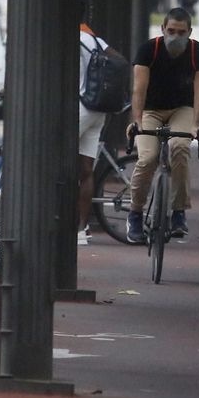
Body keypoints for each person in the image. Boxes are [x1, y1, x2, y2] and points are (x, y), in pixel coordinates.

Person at [127, 7, 199, 243]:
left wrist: (196, 125)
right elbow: (139, 89)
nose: (175, 36)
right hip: (150, 110)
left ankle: (178, 211)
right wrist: (136, 121)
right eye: (171, 30)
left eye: (181, 32)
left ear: (190, 32)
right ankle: (135, 213)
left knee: (180, 147)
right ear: (163, 29)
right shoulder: (148, 49)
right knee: (148, 157)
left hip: (181, 109)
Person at [75, 21, 116, 245]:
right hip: (97, 109)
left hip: (80, 107)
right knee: (86, 170)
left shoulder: (71, 38)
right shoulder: (93, 39)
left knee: (51, 158)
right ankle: (81, 229)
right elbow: (118, 59)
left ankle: (55, 220)